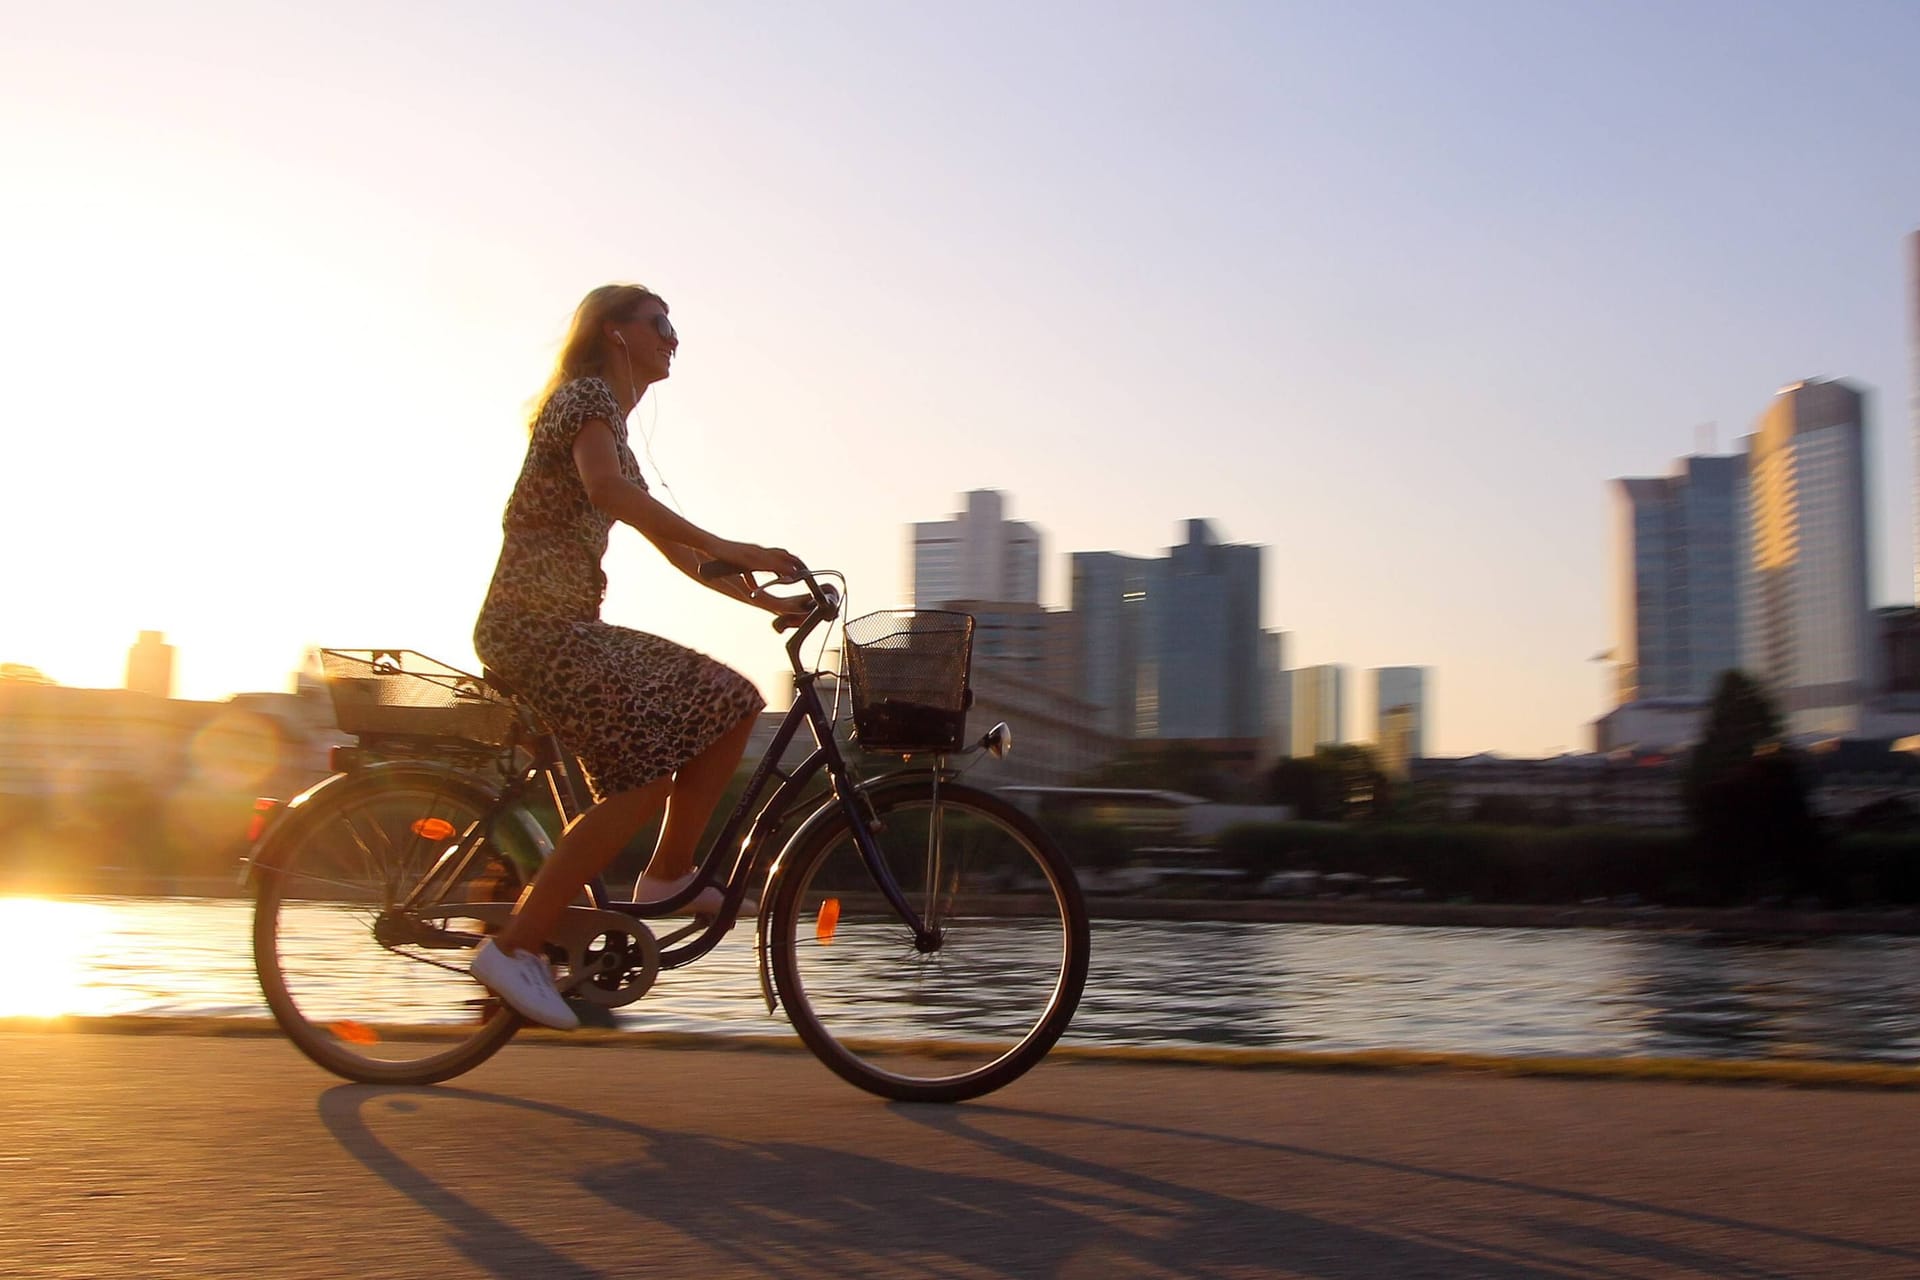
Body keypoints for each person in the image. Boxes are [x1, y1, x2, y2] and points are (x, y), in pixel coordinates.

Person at [468, 282, 807, 1030]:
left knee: (732, 701)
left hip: (563, 628)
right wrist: (735, 547)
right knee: (641, 776)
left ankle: (666, 874)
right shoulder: (585, 398)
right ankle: (517, 947)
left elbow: (676, 549)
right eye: (659, 323)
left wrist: (768, 601)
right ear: (614, 333)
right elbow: (608, 492)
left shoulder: (612, 424)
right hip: (534, 629)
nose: (673, 336)